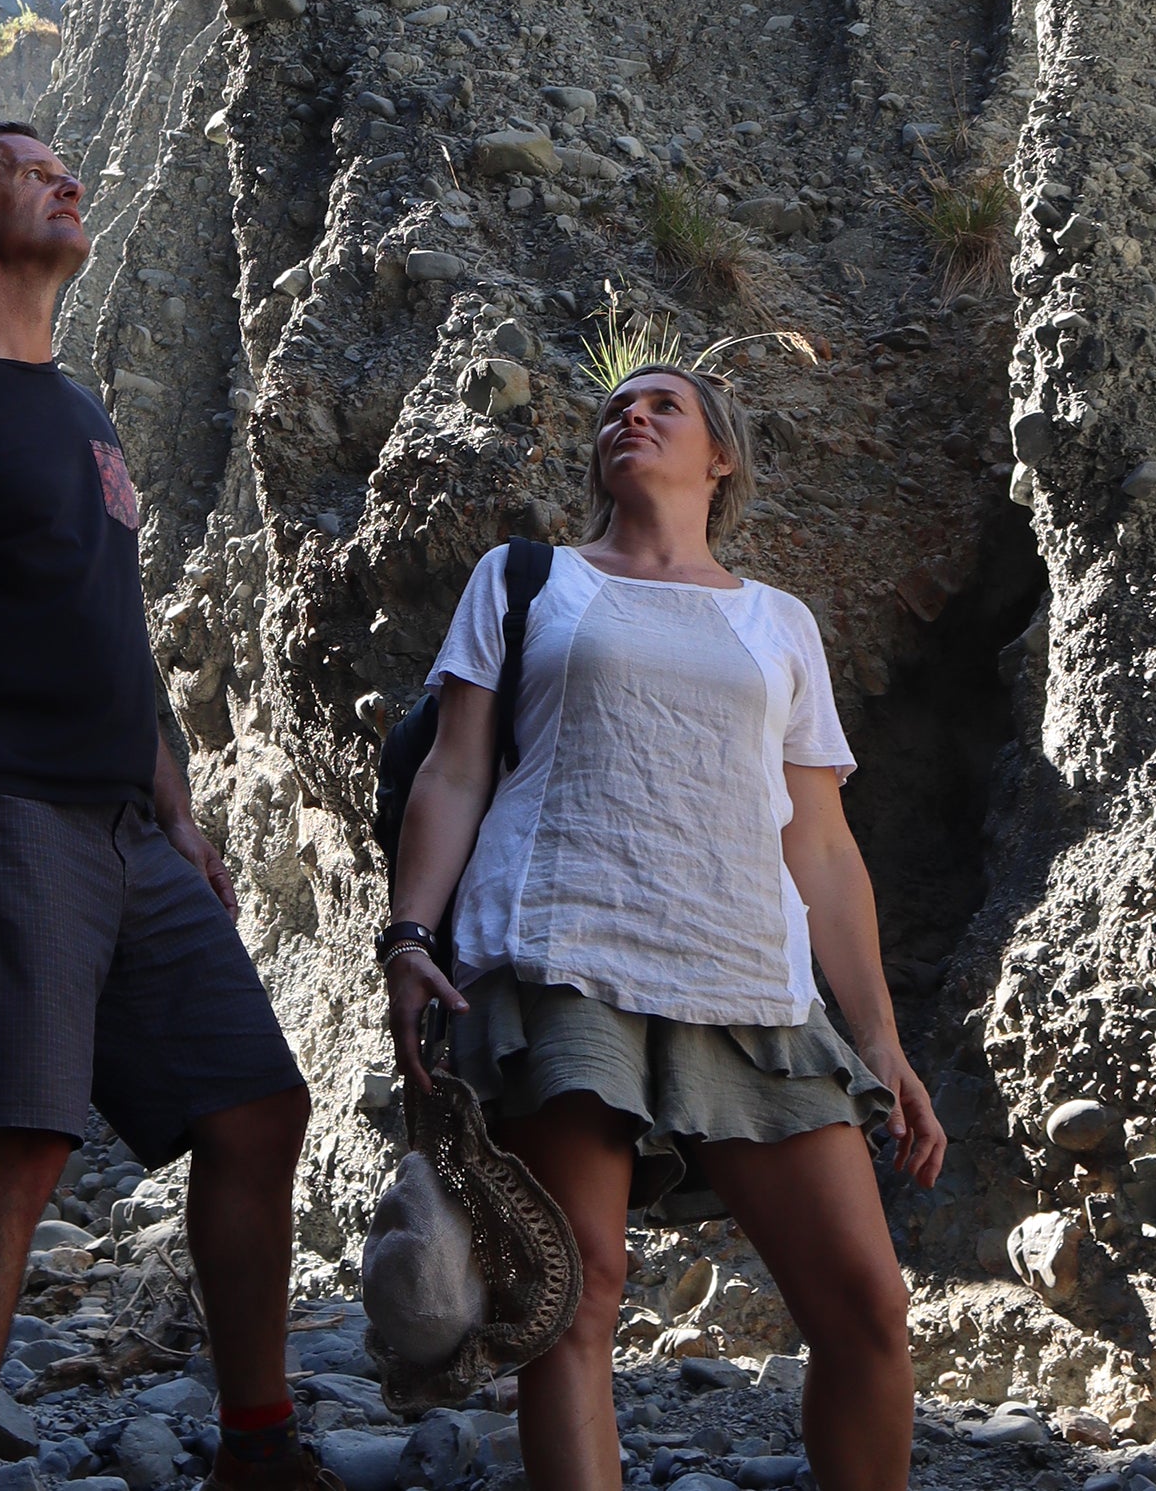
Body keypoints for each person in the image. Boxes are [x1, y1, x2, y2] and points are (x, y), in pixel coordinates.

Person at [0, 121, 330, 1491]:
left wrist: (176, 805)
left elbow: (110, 633)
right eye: (30, 167)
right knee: (11, 1141)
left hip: (124, 823)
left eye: (63, 164)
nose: (66, 176)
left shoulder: (83, 408)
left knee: (254, 1108)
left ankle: (257, 1444)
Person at [380, 363, 947, 1491]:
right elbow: (453, 770)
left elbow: (823, 847)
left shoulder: (777, 623)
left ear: (719, 458)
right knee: (574, 1295)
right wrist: (409, 937)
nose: (627, 418)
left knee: (868, 1306)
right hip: (566, 957)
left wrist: (879, 1040)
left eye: (662, 407)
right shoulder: (527, 581)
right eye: (611, 411)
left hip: (753, 982)